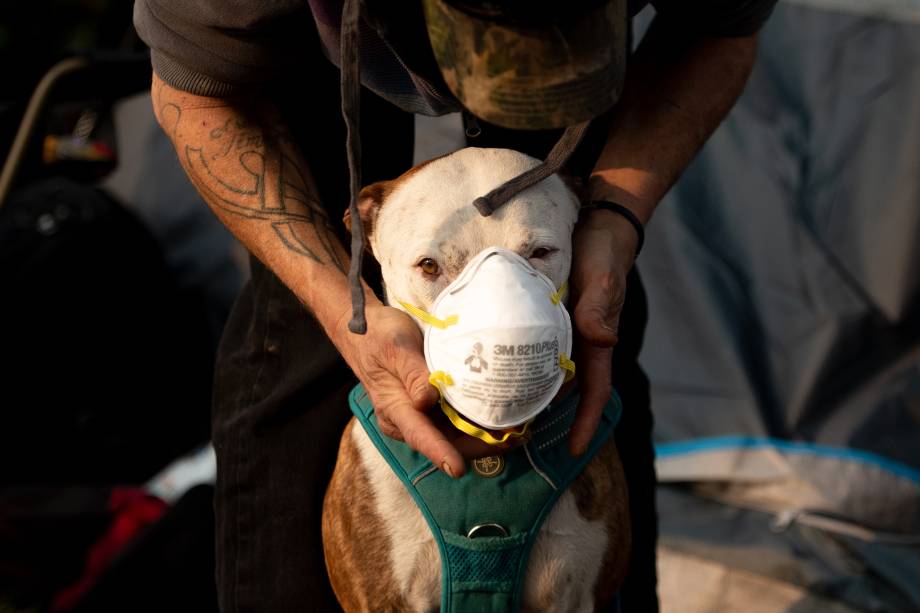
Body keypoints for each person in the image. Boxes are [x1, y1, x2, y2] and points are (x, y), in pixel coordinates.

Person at [133, 1, 776, 610]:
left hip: (586, 59)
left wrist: (614, 218)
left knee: (579, 313)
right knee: (302, 335)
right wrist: (338, 305)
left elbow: (721, 30)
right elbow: (194, 92)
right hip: (307, 43)